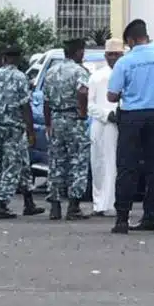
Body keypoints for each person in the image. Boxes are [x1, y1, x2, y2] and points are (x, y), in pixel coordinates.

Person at [107, 19, 154, 235]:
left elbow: (111, 96)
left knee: (127, 168)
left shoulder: (124, 62)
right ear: (146, 37)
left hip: (131, 117)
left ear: (130, 40)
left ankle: (122, 219)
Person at [0, 47, 43, 219]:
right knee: (13, 165)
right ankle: (1, 203)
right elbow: (25, 105)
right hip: (13, 128)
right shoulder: (19, 77)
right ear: (17, 58)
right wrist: (30, 130)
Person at [44, 38, 91, 221]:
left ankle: (55, 207)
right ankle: (73, 207)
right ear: (78, 52)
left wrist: (48, 123)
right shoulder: (79, 71)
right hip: (73, 119)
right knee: (78, 162)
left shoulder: (52, 72)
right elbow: (83, 91)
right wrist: (83, 112)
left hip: (56, 118)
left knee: (56, 162)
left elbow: (46, 100)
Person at [87, 38, 124, 216]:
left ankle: (111, 204)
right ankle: (98, 204)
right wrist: (106, 115)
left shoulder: (126, 74)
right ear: (105, 56)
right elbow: (89, 104)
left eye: (117, 54)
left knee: (113, 164)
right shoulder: (96, 76)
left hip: (118, 125)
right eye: (110, 54)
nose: (113, 58)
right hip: (99, 124)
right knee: (98, 164)